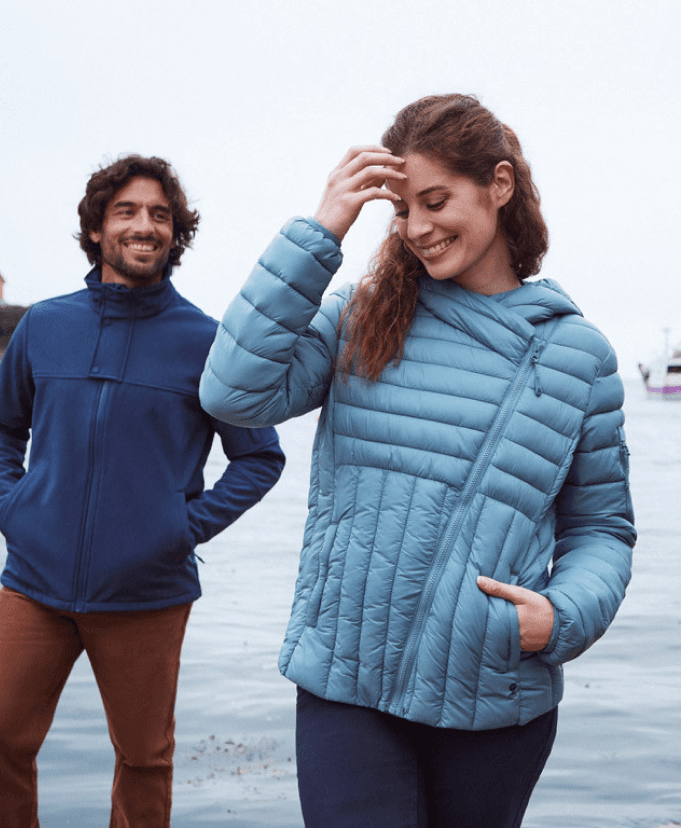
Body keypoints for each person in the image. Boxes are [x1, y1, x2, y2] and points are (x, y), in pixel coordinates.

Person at [199, 94, 636, 828]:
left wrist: (559, 617)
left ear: (498, 186)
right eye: (401, 210)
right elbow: (233, 392)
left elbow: (601, 527)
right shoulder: (361, 315)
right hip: (345, 684)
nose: (418, 229)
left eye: (435, 201)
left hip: (494, 697)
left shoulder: (575, 356)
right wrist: (319, 231)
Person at [0, 155, 285, 828]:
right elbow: (4, 431)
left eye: (159, 215)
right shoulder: (44, 324)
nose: (144, 226)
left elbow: (258, 459)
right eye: (126, 211)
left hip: (147, 593)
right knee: (3, 741)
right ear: (96, 229)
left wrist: (178, 530)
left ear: (174, 234)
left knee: (144, 759)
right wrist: (15, 509)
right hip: (32, 582)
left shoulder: (206, 342)